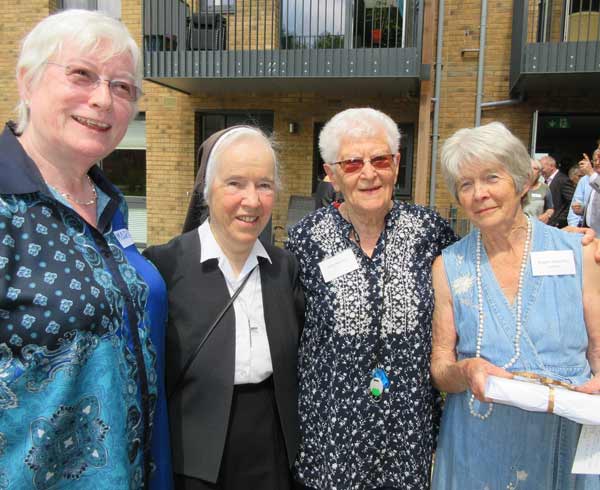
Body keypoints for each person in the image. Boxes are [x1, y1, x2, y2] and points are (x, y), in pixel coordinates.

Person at [0, 9, 171, 489]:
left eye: (122, 87)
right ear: (28, 81)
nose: (103, 99)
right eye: (81, 75)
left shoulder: (108, 204)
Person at [286, 108, 458, 489]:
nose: (369, 173)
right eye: (352, 164)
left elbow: (481, 275)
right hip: (331, 445)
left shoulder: (431, 233)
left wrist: (575, 243)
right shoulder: (305, 240)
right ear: (331, 174)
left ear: (396, 164)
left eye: (380, 159)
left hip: (407, 441)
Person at [430, 122, 600, 489]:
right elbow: (440, 367)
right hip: (479, 444)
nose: (479, 194)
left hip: (561, 437)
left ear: (522, 182)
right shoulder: (449, 265)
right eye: (466, 184)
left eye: (492, 177)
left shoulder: (577, 252)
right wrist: (466, 370)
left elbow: (599, 346)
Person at [143, 126, 303, 490]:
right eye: (235, 183)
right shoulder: (164, 268)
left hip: (272, 451)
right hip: (194, 457)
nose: (252, 200)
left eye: (264, 185)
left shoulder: (284, 269)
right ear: (206, 189)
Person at [540, 154, 575, 228]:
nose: (540, 171)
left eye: (542, 168)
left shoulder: (563, 180)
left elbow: (572, 201)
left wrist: (559, 220)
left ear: (552, 166)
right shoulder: (546, 181)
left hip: (557, 225)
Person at [523, 158, 554, 223]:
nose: (531, 171)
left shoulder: (544, 188)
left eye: (535, 169)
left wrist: (547, 215)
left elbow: (550, 208)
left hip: (537, 225)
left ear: (539, 172)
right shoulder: (518, 186)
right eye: (529, 168)